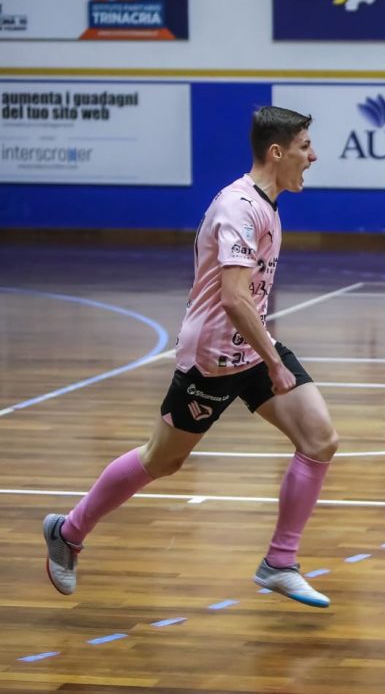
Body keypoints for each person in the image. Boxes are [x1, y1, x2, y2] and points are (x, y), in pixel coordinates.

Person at [43, 106, 341, 606]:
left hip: (251, 346)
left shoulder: (266, 205)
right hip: (214, 357)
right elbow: (234, 299)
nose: (313, 157)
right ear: (277, 152)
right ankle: (68, 532)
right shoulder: (239, 209)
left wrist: (267, 355)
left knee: (320, 439)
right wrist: (274, 362)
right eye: (305, 146)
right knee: (162, 459)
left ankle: (279, 562)